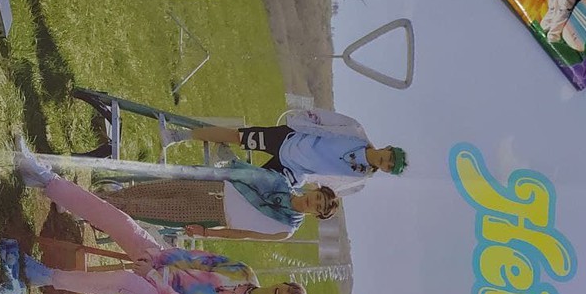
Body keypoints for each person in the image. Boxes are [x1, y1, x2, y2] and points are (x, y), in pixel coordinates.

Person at [12, 138, 307, 294]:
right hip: (163, 264)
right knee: (123, 223)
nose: (282, 293)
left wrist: (154, 277)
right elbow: (197, 258)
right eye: (287, 289)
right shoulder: (243, 272)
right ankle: (45, 179)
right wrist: (160, 260)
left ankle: (46, 277)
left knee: (127, 281)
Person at [160, 111, 407, 196]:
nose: (385, 162)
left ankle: (227, 162)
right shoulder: (355, 132)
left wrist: (307, 184)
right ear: (387, 148)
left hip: (295, 171)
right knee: (238, 136)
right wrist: (300, 119)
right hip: (290, 140)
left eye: (389, 166)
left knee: (250, 185)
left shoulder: (359, 178)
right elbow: (325, 118)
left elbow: (330, 188)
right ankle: (177, 136)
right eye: (389, 157)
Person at [95, 161, 339, 241]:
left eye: (319, 207)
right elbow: (244, 174)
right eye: (318, 197)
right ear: (313, 190)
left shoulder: (285, 229)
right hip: (212, 186)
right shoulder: (280, 182)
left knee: (144, 208)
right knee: (146, 190)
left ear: (317, 215)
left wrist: (206, 232)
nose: (313, 203)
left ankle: (91, 208)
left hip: (211, 214)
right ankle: (97, 199)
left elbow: (243, 234)